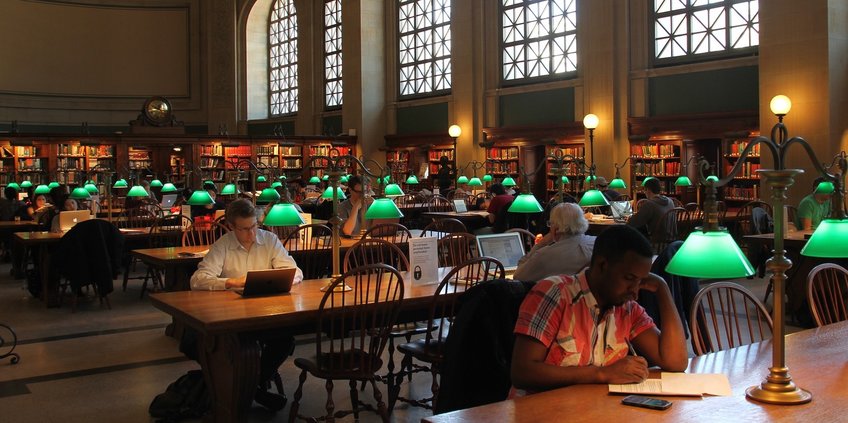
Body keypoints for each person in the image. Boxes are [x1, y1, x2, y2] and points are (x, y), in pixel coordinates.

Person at [510, 225, 688, 397]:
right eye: (629, 278)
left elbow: (675, 362)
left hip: (588, 411)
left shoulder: (627, 309)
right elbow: (522, 371)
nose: (635, 292)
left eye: (641, 281)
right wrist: (601, 374)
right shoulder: (556, 293)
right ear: (602, 265)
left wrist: (662, 289)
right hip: (537, 412)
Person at [188, 199, 304, 410]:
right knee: (240, 345)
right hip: (232, 314)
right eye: (244, 229)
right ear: (232, 227)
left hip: (266, 311)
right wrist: (231, 282)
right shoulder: (223, 244)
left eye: (254, 226)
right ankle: (255, 389)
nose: (251, 233)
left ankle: (251, 386)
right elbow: (198, 280)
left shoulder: (269, 240)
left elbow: (296, 272)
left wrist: (282, 277)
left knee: (285, 340)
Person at [513, 203, 596, 282]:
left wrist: (541, 244)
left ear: (556, 228)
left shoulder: (544, 255)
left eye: (550, 224)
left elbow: (518, 276)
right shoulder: (597, 243)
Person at [627, 178, 675, 244]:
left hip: (656, 242)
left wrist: (629, 218)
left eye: (645, 190)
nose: (644, 192)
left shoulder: (650, 204)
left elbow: (634, 222)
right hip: (672, 240)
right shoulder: (670, 201)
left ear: (648, 190)